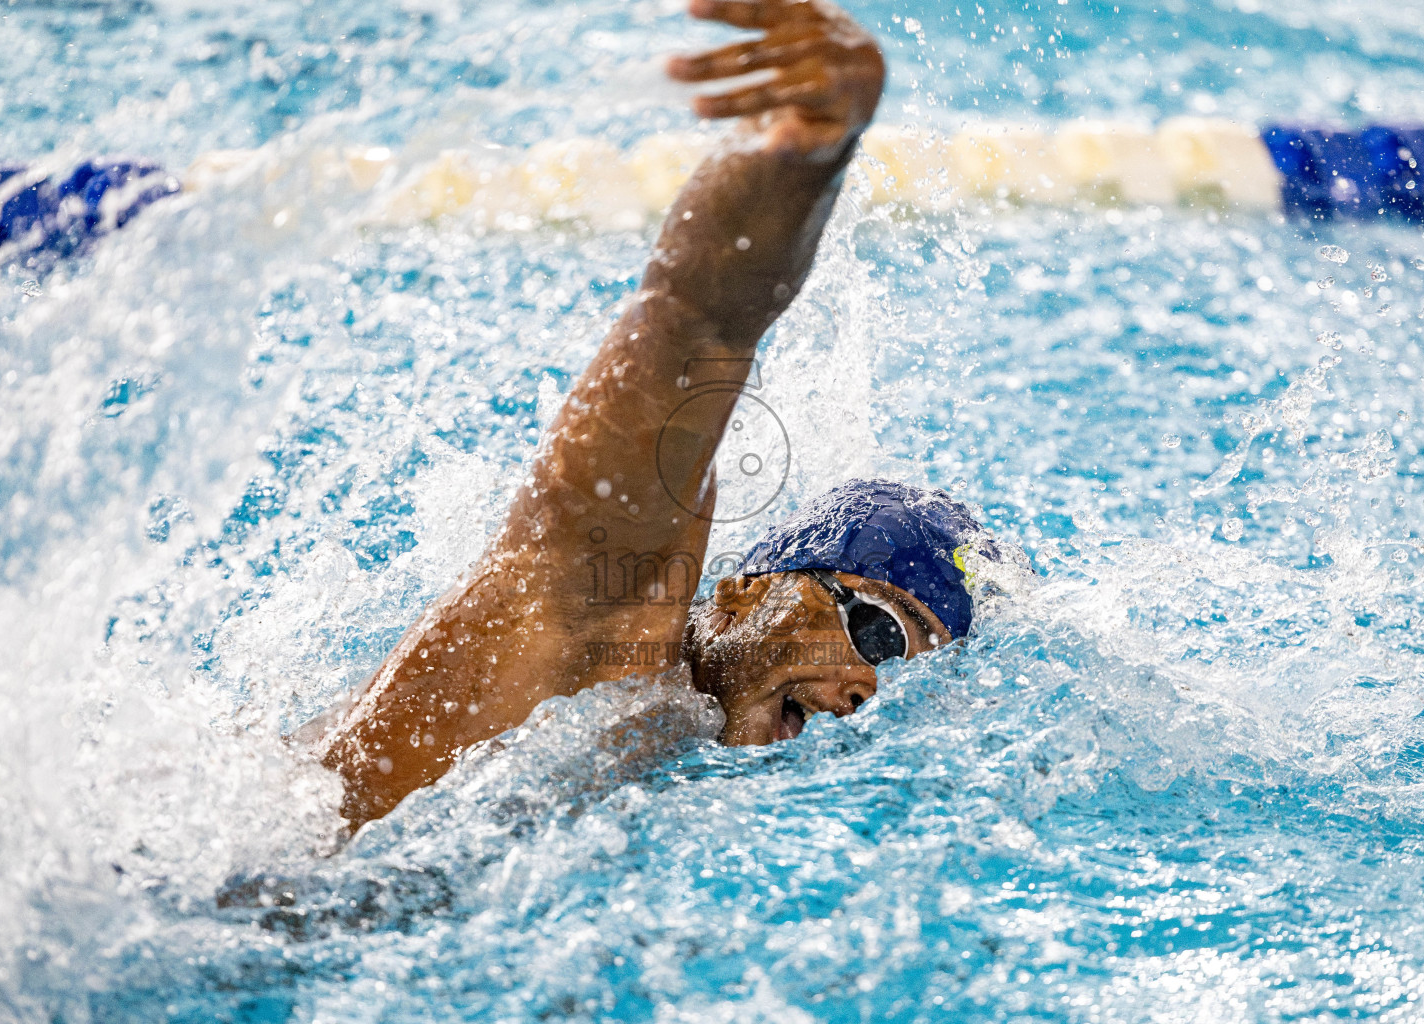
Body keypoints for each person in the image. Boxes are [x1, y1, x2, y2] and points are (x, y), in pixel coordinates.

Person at [321, 0, 1022, 828]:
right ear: (741, 594)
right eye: (878, 633)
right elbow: (694, 320)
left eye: (907, 676)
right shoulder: (600, 618)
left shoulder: (671, 759)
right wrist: (812, 153)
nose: (869, 691)